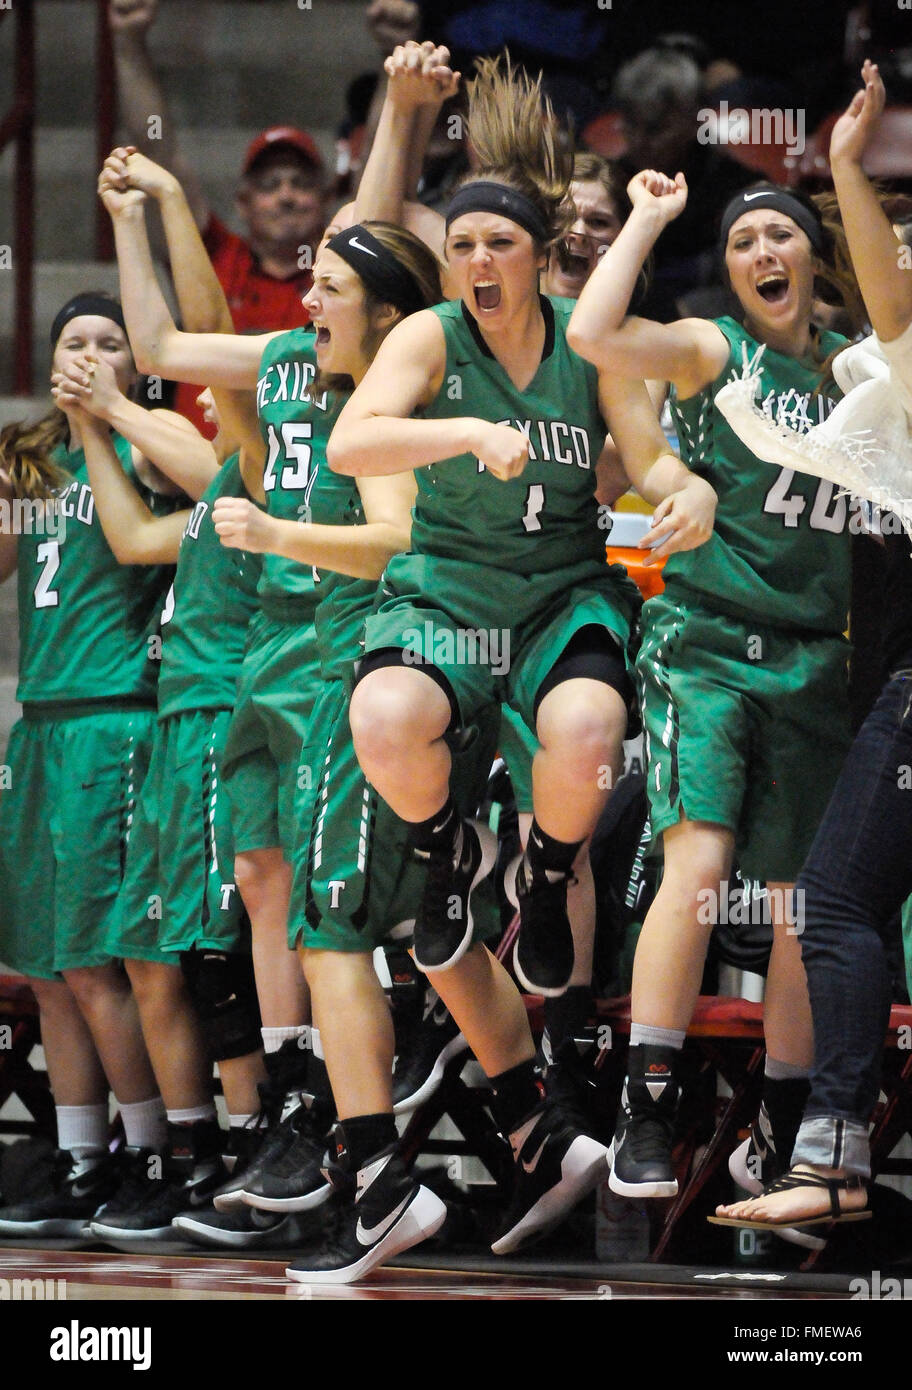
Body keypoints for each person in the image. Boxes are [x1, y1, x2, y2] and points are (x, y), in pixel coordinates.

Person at [326, 55, 714, 1270]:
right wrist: (463, 430)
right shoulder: (436, 340)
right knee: (386, 714)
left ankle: (541, 879)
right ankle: (451, 858)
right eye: (463, 246)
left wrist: (683, 485)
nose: (478, 262)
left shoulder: (585, 347)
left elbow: (644, 459)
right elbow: (352, 440)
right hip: (444, 591)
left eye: (499, 242)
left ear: (541, 256)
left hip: (558, 593)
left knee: (590, 734)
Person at [568, 155, 864, 1201]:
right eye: (740, 243)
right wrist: (647, 224)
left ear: (813, 254)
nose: (758, 254)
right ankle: (646, 1096)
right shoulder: (712, 349)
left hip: (816, 657)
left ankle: (780, 1119)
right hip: (704, 638)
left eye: (776, 235)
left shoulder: (858, 371)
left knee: (797, 903)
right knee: (701, 858)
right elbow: (594, 337)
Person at [712, 61, 909, 1235]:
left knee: (831, 902)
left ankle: (831, 1158)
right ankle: (830, 1155)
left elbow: (889, 304)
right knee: (844, 908)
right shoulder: (868, 417)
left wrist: (842, 163)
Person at [0, 293, 214, 1237]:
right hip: (39, 723)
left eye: (108, 343)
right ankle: (80, 1153)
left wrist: (120, 412)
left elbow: (219, 487)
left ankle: (151, 1149)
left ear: (139, 362)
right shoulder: (29, 456)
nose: (88, 354)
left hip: (116, 720)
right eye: (72, 342)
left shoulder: (148, 439)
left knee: (99, 964)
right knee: (49, 966)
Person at [109, 0, 329, 433]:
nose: (286, 196)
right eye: (269, 185)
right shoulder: (215, 257)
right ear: (243, 202)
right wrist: (127, 42)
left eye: (300, 184)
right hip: (202, 474)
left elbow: (385, 175)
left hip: (303, 479)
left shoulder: (343, 272)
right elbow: (157, 154)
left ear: (325, 199)